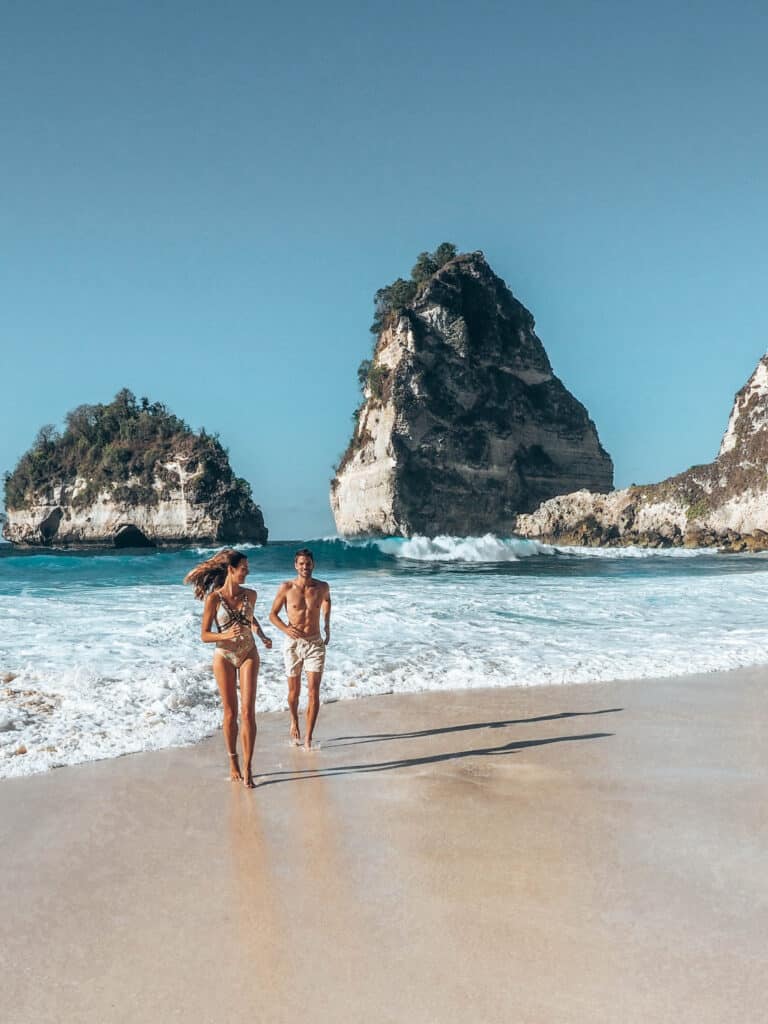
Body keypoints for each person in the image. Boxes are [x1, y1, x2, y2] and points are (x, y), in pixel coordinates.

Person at [184, 548, 272, 787]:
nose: (247, 572)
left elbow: (250, 618)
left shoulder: (251, 595)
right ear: (231, 570)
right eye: (243, 569)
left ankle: (249, 766)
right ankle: (233, 761)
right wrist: (225, 634)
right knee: (231, 713)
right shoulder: (214, 599)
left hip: (248, 653)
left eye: (247, 568)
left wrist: (262, 635)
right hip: (223, 655)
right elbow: (204, 635)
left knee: (248, 712)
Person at [269, 548, 331, 750]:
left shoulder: (322, 587)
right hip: (293, 644)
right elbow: (273, 615)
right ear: (296, 565)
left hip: (314, 643)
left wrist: (327, 624)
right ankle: (294, 720)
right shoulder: (286, 588)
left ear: (313, 564)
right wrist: (286, 629)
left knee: (314, 692)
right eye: (301, 563)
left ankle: (308, 738)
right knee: (294, 692)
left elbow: (327, 601)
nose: (305, 567)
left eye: (308, 563)